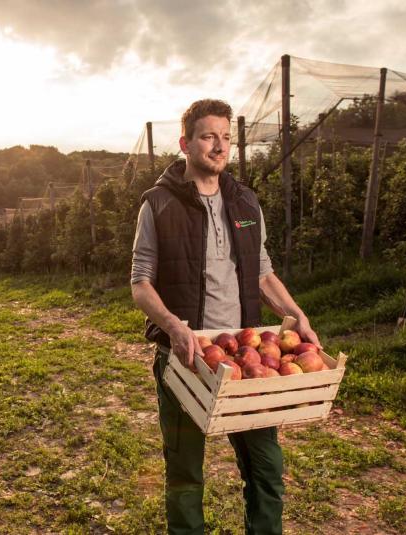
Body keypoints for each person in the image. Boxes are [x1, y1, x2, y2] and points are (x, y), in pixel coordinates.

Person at [130, 99, 321, 535]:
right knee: (184, 472)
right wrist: (174, 326)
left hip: (244, 356)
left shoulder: (245, 202)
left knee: (267, 468)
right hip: (185, 355)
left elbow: (262, 272)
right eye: (208, 136)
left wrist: (296, 314)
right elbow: (141, 283)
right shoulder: (157, 204)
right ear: (186, 143)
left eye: (226, 137)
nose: (220, 146)